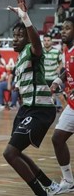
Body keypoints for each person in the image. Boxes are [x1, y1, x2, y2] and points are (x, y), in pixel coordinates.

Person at [3, 0, 59, 196]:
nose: (15, 39)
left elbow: (36, 43)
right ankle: (49, 185)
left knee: (9, 153)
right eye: (14, 36)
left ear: (27, 37)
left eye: (19, 35)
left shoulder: (31, 49)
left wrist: (26, 18)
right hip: (26, 109)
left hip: (40, 110)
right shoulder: (19, 59)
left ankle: (41, 192)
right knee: (14, 151)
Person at [49, 16, 74, 194]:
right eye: (62, 28)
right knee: (57, 138)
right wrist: (58, 79)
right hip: (72, 106)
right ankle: (69, 180)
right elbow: (67, 69)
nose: (62, 31)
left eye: (67, 28)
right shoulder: (66, 49)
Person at [42, 34, 63, 110]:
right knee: (42, 97)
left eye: (48, 40)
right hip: (43, 78)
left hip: (54, 78)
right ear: (43, 41)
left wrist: (59, 68)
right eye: (45, 40)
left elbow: (61, 62)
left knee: (60, 96)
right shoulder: (40, 52)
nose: (46, 42)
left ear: (51, 41)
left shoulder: (56, 52)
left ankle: (64, 110)